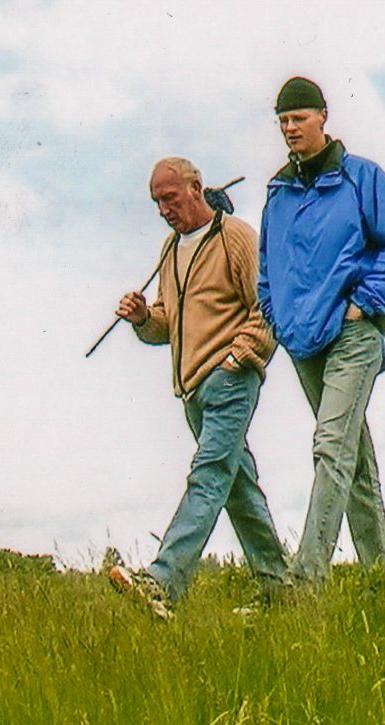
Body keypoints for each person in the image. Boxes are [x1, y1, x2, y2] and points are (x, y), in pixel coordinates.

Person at [259, 76, 385, 589]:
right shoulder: (278, 194)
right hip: (302, 342)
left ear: (323, 118)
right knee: (352, 463)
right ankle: (383, 583)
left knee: (330, 446)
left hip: (353, 335)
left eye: (299, 119)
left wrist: (364, 304)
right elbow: (267, 266)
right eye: (283, 121)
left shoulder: (362, 178)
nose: (290, 129)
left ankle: (305, 581)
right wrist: (276, 315)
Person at [107, 157, 288, 618]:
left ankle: (163, 581)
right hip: (191, 391)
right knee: (238, 487)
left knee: (207, 477)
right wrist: (143, 317)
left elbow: (267, 303)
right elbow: (168, 324)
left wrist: (240, 357)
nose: (164, 209)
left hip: (229, 380)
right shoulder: (170, 251)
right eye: (156, 202)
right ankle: (280, 591)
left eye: (169, 198)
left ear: (196, 188)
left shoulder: (236, 237)